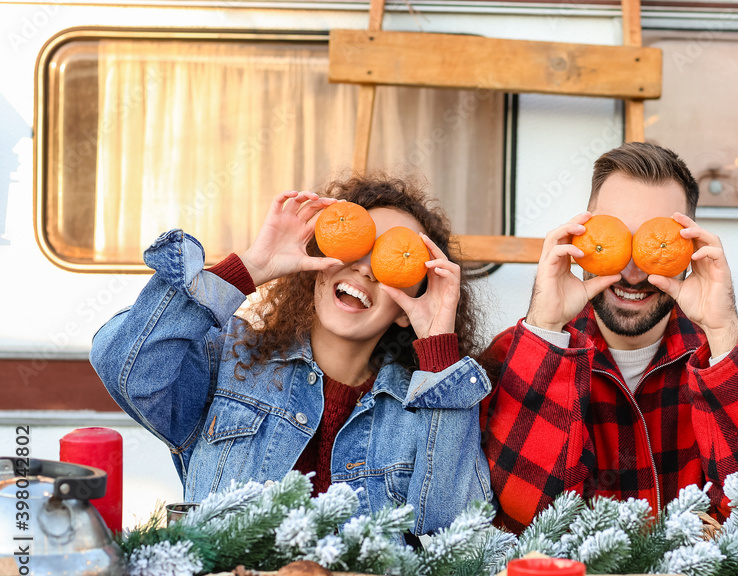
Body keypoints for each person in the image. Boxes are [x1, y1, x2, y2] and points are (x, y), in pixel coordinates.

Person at [92, 175, 493, 535]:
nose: (367, 269)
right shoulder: (229, 361)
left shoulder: (421, 410)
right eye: (359, 245)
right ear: (320, 265)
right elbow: (124, 365)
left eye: (393, 258)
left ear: (406, 308)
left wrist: (440, 347)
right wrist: (247, 269)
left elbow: (458, 536)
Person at [480, 142, 738, 533]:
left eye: (654, 239)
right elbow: (517, 520)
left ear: (689, 247)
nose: (633, 272)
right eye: (618, 237)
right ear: (583, 236)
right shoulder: (514, 354)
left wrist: (722, 337)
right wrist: (546, 331)